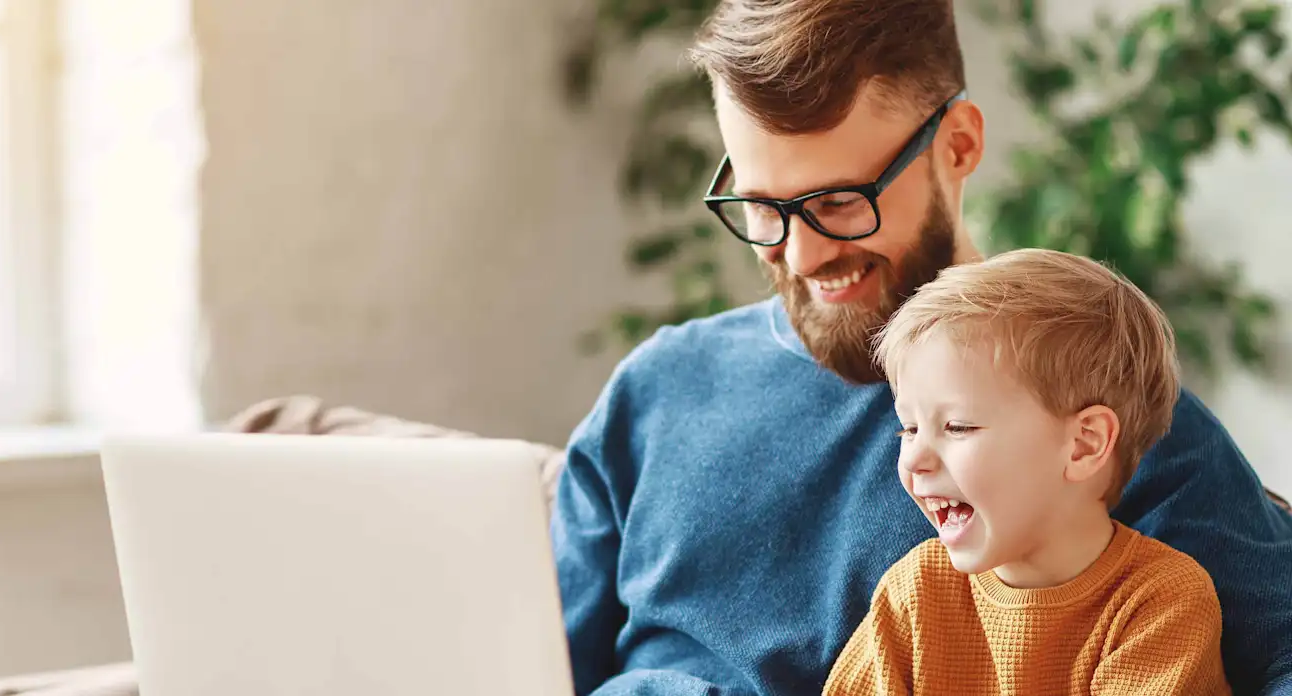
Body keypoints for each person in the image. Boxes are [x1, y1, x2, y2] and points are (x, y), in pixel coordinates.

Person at [548, 1, 1292, 694]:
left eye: (839, 202)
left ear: (959, 145)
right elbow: (526, 665)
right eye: (761, 206)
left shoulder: (1089, 411)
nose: (801, 255)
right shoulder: (657, 391)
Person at [823, 249, 1228, 695]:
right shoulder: (914, 592)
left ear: (1084, 444)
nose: (915, 459)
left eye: (957, 426)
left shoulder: (1161, 604)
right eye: (909, 429)